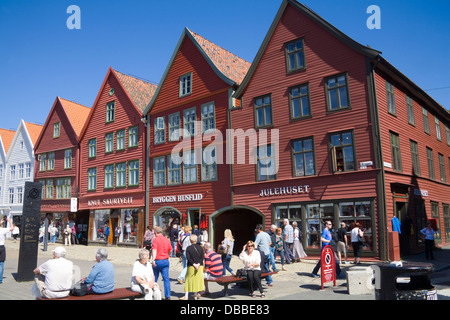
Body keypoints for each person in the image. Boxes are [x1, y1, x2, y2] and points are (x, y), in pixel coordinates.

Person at [180, 235, 204, 300]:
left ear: (190, 240)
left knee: (188, 280)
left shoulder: (188, 248)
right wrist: (198, 264)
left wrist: (194, 264)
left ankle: (186, 295)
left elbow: (188, 258)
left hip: (191, 266)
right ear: (196, 240)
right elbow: (202, 257)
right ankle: (195, 295)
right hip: (200, 266)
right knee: (196, 280)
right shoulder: (200, 247)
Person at [151, 226, 172, 300]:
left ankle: (152, 292)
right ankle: (167, 296)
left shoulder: (155, 240)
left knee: (154, 278)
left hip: (158, 260)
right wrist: (168, 256)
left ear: (156, 232)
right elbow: (170, 250)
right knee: (166, 279)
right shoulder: (167, 239)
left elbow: (154, 250)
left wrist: (153, 259)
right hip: (165, 260)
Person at [0, 216, 14, 284]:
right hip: (1, 246)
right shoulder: (2, 230)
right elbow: (12, 228)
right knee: (1, 263)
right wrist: (9, 221)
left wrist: (0, 222)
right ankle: (0, 279)